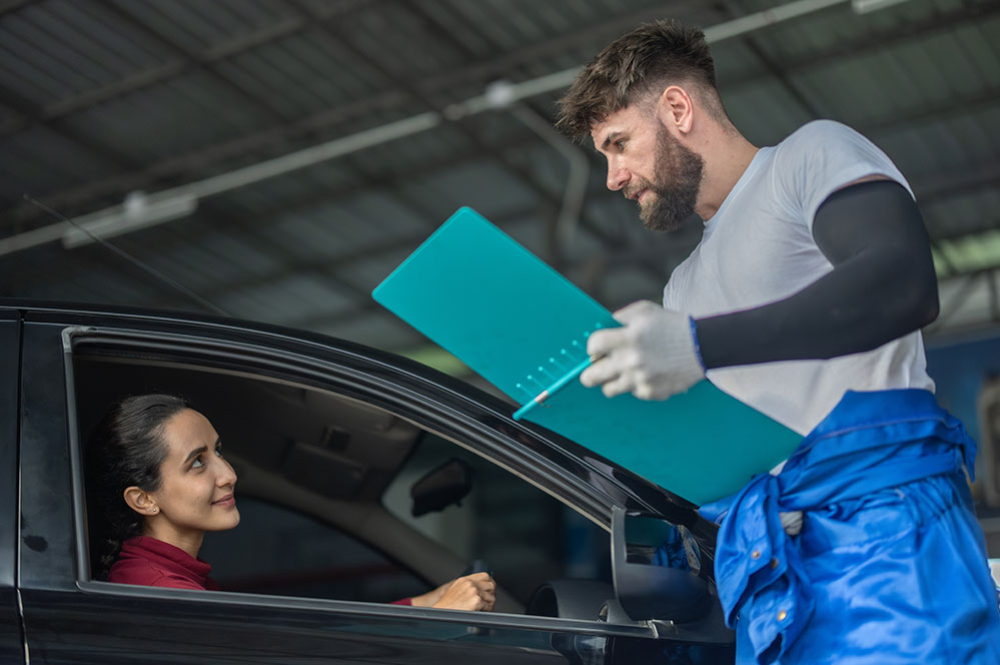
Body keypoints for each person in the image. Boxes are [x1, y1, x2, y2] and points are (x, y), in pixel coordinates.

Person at [556, 18, 1000, 665]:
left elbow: (902, 283)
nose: (612, 177)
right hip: (775, 578)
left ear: (677, 108)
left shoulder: (808, 158)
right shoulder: (682, 288)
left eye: (619, 144)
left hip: (889, 540)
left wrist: (698, 344)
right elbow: (725, 447)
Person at [85, 393, 496, 612]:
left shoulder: (167, 579)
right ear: (143, 499)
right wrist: (434, 623)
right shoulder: (162, 594)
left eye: (218, 451)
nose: (228, 474)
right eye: (197, 463)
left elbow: (292, 644)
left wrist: (424, 605)